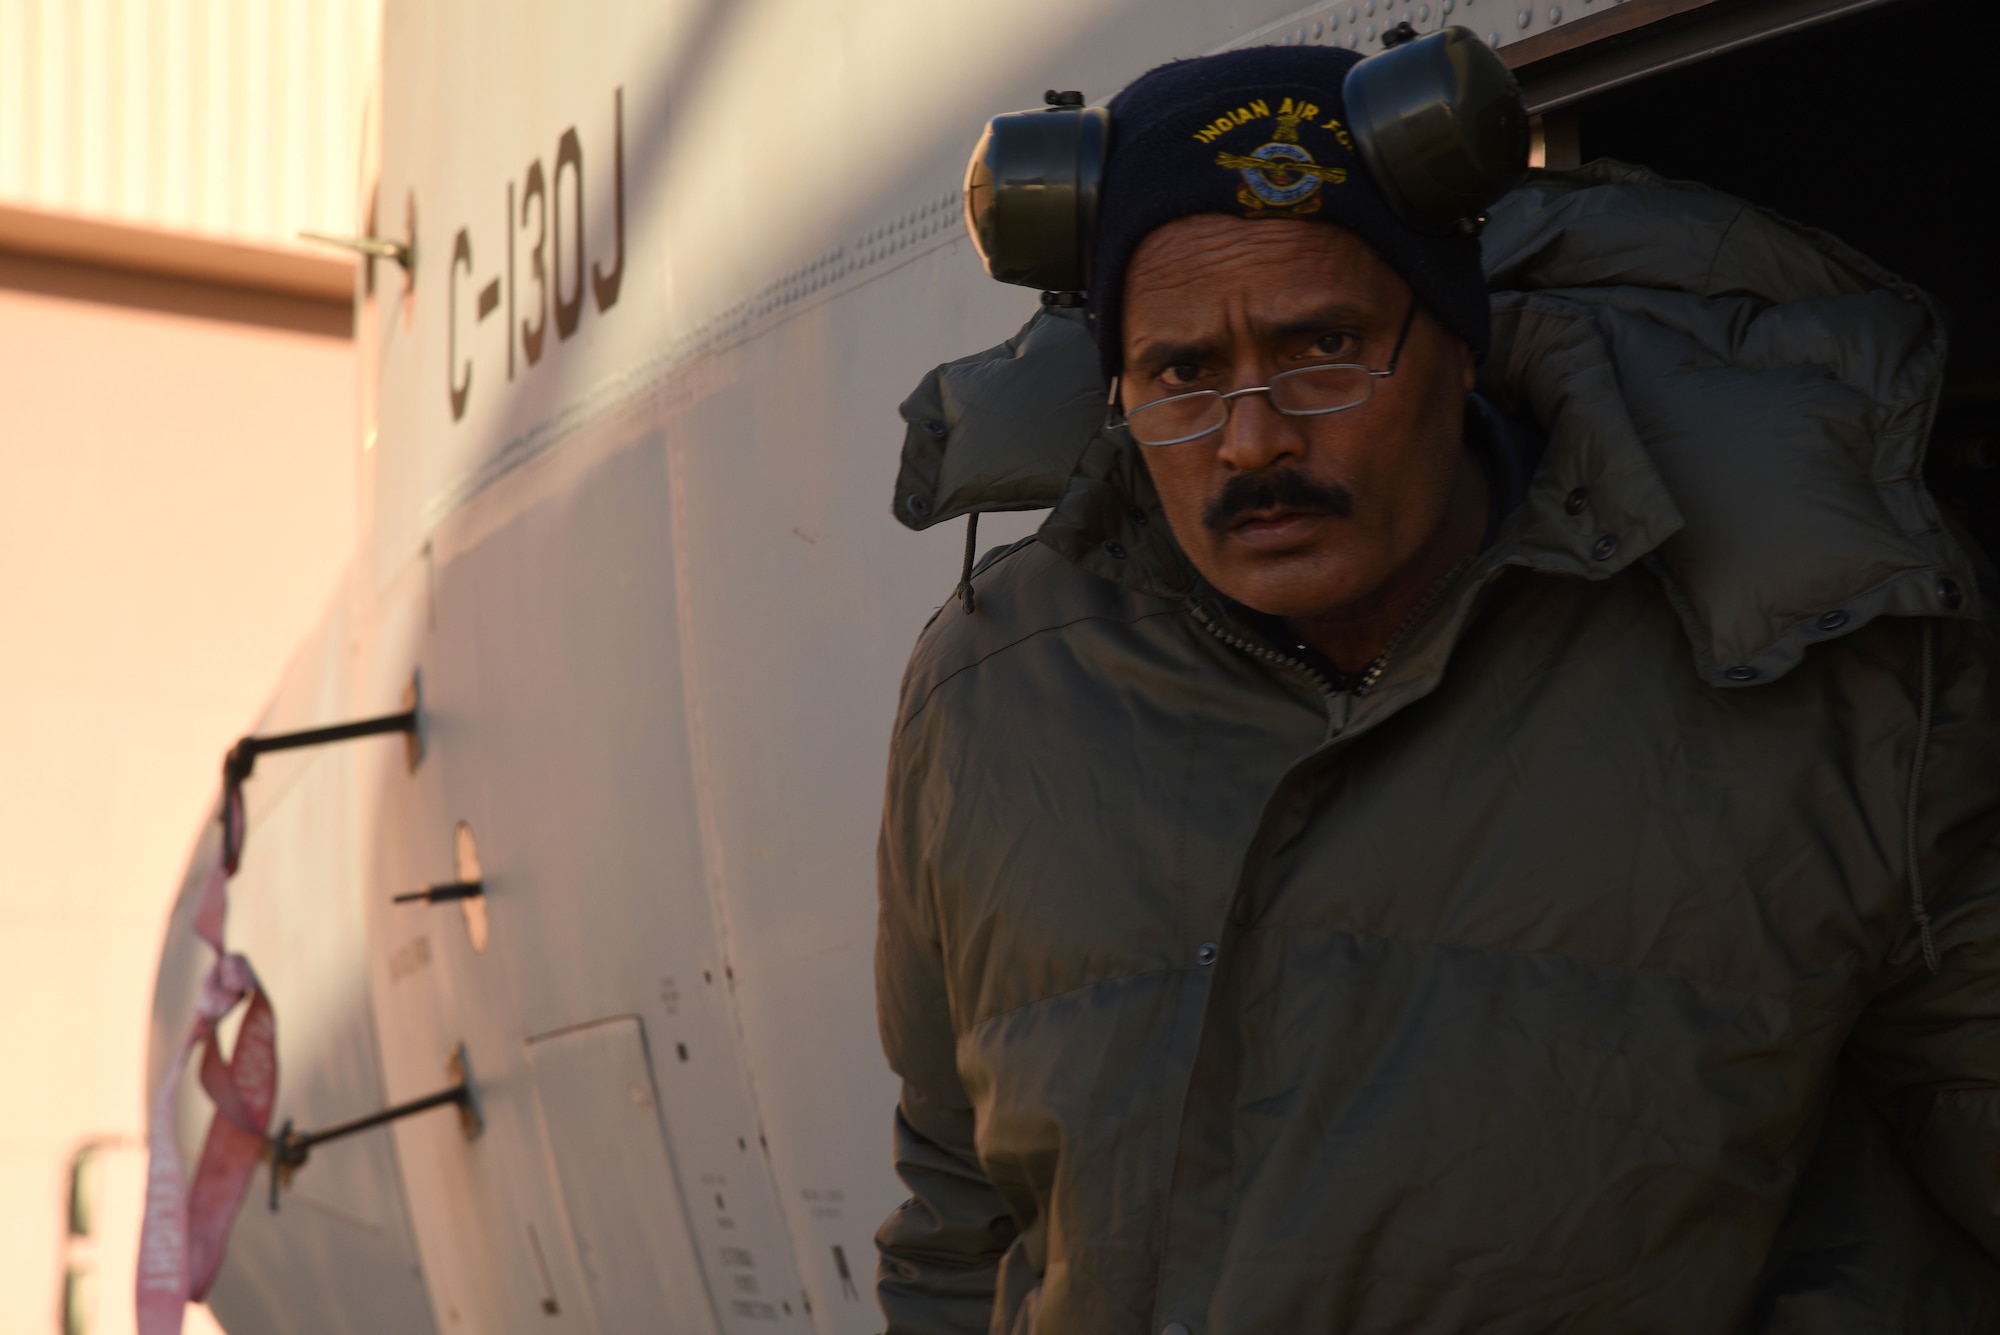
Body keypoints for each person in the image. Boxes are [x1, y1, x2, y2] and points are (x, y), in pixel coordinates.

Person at [873, 43, 2000, 1334]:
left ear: (1459, 344)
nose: (1256, 438)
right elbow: (960, 1214)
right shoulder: (989, 691)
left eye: (1326, 346)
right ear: (1117, 389)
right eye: (1183, 375)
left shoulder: (1830, 657)